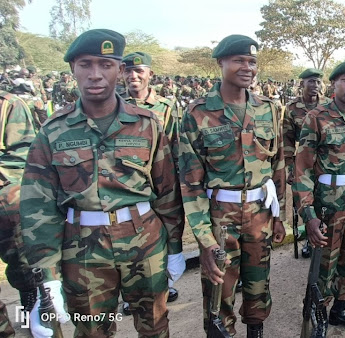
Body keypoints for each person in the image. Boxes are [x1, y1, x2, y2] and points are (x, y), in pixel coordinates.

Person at [21, 28, 182, 337]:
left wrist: (174, 247)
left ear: (120, 70)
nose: (95, 74)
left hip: (143, 241)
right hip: (81, 246)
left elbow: (167, 192)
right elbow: (37, 206)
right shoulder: (53, 132)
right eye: (85, 64)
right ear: (72, 70)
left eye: (105, 65)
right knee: (92, 330)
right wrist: (48, 273)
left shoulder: (147, 126)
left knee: (155, 326)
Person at [179, 35, 286, 338]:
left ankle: (256, 330)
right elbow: (190, 183)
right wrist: (203, 238)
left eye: (252, 62)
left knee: (258, 282)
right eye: (239, 60)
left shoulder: (269, 109)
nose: (247, 67)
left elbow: (277, 165)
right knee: (219, 290)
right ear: (220, 63)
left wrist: (278, 217)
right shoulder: (197, 113)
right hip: (220, 218)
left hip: (261, 214)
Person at [295, 61, 345, 335]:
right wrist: (308, 214)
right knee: (326, 262)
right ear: (334, 84)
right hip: (329, 205)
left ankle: (341, 309)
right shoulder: (317, 116)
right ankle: (318, 313)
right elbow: (301, 168)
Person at [121, 51, 185, 306]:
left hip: (161, 180)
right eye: (128, 70)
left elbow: (175, 145)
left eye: (139, 71)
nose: (133, 75)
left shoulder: (166, 107)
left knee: (165, 229)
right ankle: (130, 293)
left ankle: (164, 282)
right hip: (128, 183)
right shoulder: (114, 105)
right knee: (127, 235)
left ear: (150, 75)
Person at [0, 89, 37, 338]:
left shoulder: (8, 105)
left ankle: (30, 317)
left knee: (23, 268)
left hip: (7, 199)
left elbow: (23, 154)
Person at [284, 68, 330, 259]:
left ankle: (325, 237)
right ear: (301, 83)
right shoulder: (291, 108)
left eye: (318, 82)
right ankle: (309, 240)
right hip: (303, 163)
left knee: (324, 200)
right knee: (305, 202)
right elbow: (286, 141)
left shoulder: (329, 105)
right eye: (311, 82)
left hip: (325, 162)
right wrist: (289, 168)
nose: (315, 86)